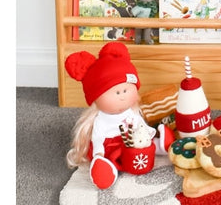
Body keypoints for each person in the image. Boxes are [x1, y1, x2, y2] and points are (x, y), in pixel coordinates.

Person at [65, 43, 173, 190]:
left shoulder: (132, 112)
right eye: (116, 92)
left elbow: (140, 125)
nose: (122, 95)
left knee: (144, 144)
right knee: (115, 157)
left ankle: (161, 145)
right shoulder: (100, 120)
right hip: (111, 147)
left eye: (126, 90)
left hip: (133, 140)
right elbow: (98, 138)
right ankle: (106, 169)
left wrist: (148, 133)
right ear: (96, 99)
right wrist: (99, 153)